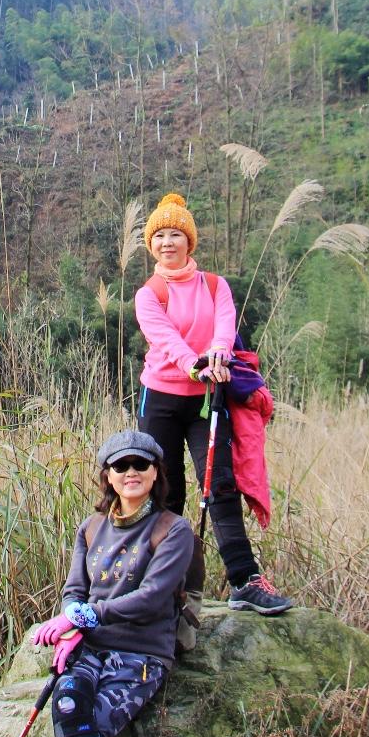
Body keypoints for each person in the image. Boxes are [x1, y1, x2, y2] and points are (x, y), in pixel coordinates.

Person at [32, 428, 194, 737]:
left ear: (156, 472)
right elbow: (74, 588)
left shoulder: (173, 530)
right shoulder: (89, 528)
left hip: (140, 652)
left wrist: (85, 617)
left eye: (140, 464)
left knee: (90, 726)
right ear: (107, 475)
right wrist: (70, 624)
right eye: (120, 465)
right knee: (68, 707)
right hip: (91, 648)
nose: (130, 473)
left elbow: (153, 597)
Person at [134, 191, 293, 616]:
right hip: (161, 398)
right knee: (165, 490)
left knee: (220, 485)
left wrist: (218, 355)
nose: (167, 242)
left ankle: (244, 580)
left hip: (208, 398)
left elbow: (225, 327)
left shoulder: (215, 285)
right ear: (151, 244)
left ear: (189, 240)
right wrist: (195, 365)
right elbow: (165, 340)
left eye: (175, 234)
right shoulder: (149, 294)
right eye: (159, 236)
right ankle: (164, 583)